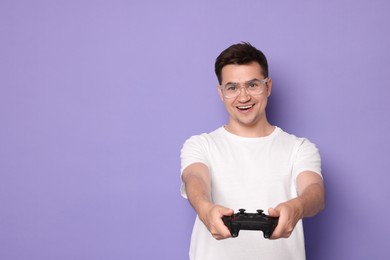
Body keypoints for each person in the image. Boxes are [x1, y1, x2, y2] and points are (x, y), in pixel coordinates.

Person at [180, 42, 325, 260]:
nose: (244, 97)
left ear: (268, 86)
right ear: (221, 93)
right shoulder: (200, 144)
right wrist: (204, 208)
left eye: (253, 85)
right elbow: (194, 178)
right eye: (232, 88)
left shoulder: (300, 148)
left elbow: (315, 192)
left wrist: (297, 207)